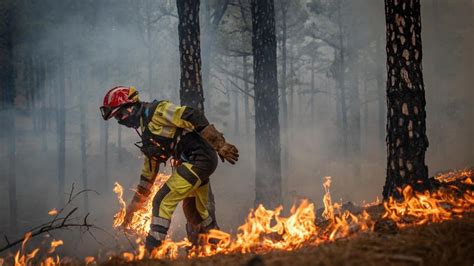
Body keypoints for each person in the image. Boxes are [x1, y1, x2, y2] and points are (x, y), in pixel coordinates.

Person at [100, 86, 239, 251]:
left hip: (200, 158)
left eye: (121, 115)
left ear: (132, 106)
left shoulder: (157, 111)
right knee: (196, 211)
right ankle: (220, 250)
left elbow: (192, 115)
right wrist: (133, 207)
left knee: (161, 201)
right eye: (117, 118)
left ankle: (152, 252)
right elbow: (148, 174)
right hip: (191, 162)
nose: (121, 121)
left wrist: (219, 143)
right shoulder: (146, 131)